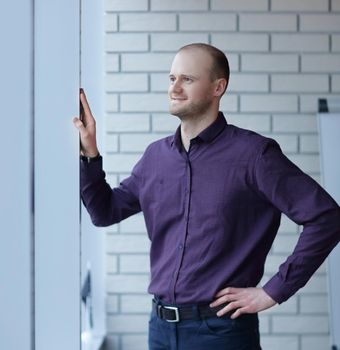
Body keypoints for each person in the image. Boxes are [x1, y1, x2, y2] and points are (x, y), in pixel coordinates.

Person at [73, 43, 340, 350]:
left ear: (218, 87)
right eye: (171, 78)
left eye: (187, 79)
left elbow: (326, 217)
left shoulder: (254, 155)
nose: (174, 88)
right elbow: (104, 212)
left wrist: (272, 291)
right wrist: (90, 153)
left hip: (221, 333)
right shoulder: (155, 157)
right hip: (160, 330)